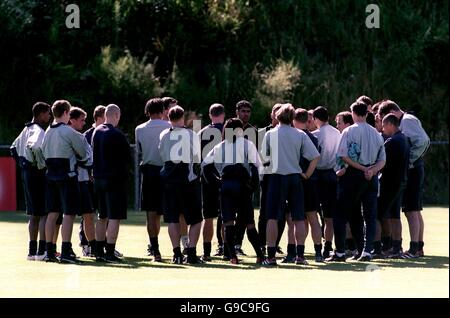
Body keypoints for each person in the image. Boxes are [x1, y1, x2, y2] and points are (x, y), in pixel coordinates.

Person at [261, 104, 320, 265]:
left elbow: (263, 159)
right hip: (295, 177)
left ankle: (271, 256)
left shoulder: (271, 134)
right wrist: (307, 174)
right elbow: (315, 156)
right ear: (292, 118)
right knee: (298, 217)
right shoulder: (300, 134)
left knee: (272, 217)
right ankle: (300, 256)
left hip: (276, 177)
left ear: (278, 116)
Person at [326, 101, 385, 262]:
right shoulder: (376, 133)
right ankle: (366, 250)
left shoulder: (349, 131)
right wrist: (371, 170)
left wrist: (360, 168)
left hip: (352, 175)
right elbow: (382, 160)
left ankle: (339, 252)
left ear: (353, 113)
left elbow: (343, 155)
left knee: (341, 214)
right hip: (371, 176)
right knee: (368, 215)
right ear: (366, 114)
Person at [202, 118, 265, 264]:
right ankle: (260, 255)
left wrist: (215, 182)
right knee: (249, 223)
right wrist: (253, 186)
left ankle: (232, 257)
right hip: (242, 187)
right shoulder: (247, 144)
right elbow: (257, 166)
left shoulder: (220, 146)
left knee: (228, 222)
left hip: (226, 187)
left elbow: (205, 165)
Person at [378, 100, 430, 258]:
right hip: (414, 169)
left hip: (413, 169)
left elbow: (423, 141)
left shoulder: (407, 120)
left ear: (393, 112)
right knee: (413, 210)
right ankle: (418, 247)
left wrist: (409, 161)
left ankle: (414, 249)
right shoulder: (406, 121)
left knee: (411, 209)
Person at [40, 100, 89, 263]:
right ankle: (66, 251)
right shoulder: (69, 132)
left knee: (52, 214)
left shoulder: (47, 131)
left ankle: (49, 251)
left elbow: (42, 153)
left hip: (50, 176)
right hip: (67, 177)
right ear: (67, 113)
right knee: (69, 214)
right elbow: (82, 153)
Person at [159, 105, 203, 264]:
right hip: (187, 181)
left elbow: (162, 155)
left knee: (173, 219)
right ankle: (191, 253)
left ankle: (176, 253)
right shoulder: (191, 134)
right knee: (196, 219)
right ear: (182, 117)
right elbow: (197, 157)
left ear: (169, 118)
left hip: (169, 181)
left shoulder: (164, 135)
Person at [10, 102, 52, 261]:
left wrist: (23, 164)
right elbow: (35, 147)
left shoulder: (25, 129)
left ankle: (31, 251)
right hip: (37, 173)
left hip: (27, 173)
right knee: (43, 213)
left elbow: (13, 148)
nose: (49, 117)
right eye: (47, 114)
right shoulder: (38, 130)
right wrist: (41, 165)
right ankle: (41, 252)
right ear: (40, 114)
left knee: (34, 214)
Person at [92, 104, 131, 263]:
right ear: (116, 115)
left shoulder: (96, 132)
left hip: (98, 178)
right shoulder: (118, 134)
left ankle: (99, 251)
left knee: (102, 216)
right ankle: (109, 252)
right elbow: (127, 158)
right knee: (114, 217)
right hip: (114, 180)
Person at [135, 98, 171, 262]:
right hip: (166, 171)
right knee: (171, 211)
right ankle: (178, 249)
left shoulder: (139, 129)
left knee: (151, 213)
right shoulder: (170, 126)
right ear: (163, 110)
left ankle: (155, 249)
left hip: (149, 172)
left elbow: (140, 150)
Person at [374, 114, 410, 258]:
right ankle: (396, 248)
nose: (382, 129)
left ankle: (378, 249)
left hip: (389, 184)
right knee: (395, 216)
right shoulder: (405, 139)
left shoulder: (392, 141)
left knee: (376, 215)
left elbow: (382, 162)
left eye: (383, 125)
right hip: (401, 183)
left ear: (390, 124)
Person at [292, 108, 323, 262]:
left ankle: (299, 254)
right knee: (313, 218)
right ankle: (318, 253)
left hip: (298, 179)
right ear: (308, 120)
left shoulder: (294, 136)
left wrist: (305, 173)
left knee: (298, 219)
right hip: (312, 181)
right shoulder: (314, 137)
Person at [311, 106, 341, 259]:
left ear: (316, 119)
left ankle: (318, 246)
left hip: (318, 175)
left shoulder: (315, 134)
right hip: (333, 174)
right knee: (329, 215)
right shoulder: (337, 133)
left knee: (314, 213)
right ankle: (328, 245)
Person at [257, 103, 286, 256]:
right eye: (275, 112)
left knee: (280, 211)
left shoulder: (287, 131)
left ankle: (275, 243)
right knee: (264, 211)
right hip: (266, 175)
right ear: (272, 114)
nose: (276, 115)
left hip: (281, 174)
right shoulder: (262, 133)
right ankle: (263, 243)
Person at [68, 107, 97, 258]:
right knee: (67, 216)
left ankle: (93, 247)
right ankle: (59, 248)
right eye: (81, 120)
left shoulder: (80, 136)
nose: (84, 123)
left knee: (88, 215)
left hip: (83, 180)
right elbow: (86, 158)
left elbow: (88, 158)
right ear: (71, 120)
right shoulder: (71, 136)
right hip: (74, 180)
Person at [198, 103, 225, 261]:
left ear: (210, 115)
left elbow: (197, 158)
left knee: (208, 217)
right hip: (225, 176)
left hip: (207, 177)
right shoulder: (228, 132)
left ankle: (207, 252)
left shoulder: (201, 132)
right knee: (226, 216)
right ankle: (226, 249)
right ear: (223, 114)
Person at [79, 105, 105, 257]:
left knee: (103, 214)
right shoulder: (87, 134)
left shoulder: (106, 133)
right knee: (88, 214)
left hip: (101, 179)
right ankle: (85, 244)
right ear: (99, 118)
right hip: (89, 180)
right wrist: (89, 173)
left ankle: (102, 244)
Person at [233, 100, 258, 256]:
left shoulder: (252, 131)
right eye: (243, 111)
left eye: (248, 111)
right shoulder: (231, 127)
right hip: (231, 176)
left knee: (244, 214)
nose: (245, 114)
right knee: (226, 214)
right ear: (237, 112)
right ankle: (224, 245)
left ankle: (237, 244)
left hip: (246, 179)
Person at [335, 111, 358, 255]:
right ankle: (351, 247)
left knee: (346, 216)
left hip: (348, 180)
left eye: (339, 122)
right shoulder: (341, 136)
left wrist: (344, 169)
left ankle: (349, 248)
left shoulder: (350, 137)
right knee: (349, 216)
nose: (336, 125)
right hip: (343, 179)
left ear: (347, 124)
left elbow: (353, 156)